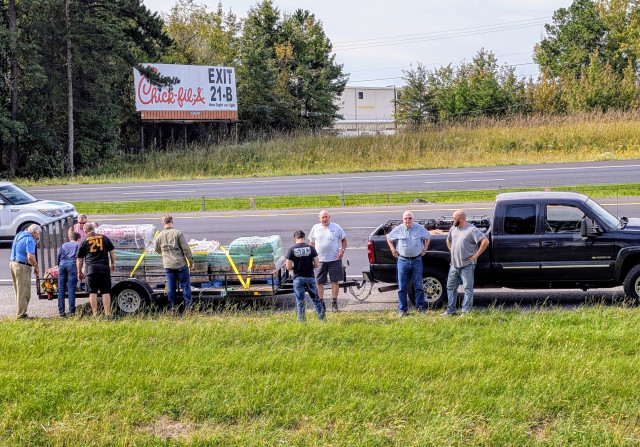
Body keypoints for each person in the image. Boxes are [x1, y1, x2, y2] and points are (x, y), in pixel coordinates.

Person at [441, 209, 490, 316]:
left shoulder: (472, 230)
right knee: (450, 287)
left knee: (467, 289)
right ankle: (450, 311)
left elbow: (485, 241)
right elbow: (448, 240)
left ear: (461, 219)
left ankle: (466, 312)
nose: (452, 220)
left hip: (467, 265)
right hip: (454, 265)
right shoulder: (453, 228)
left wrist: (475, 256)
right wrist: (452, 250)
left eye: (454, 218)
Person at [386, 211, 431, 317]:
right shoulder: (399, 229)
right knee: (402, 287)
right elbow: (389, 237)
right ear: (403, 220)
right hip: (403, 260)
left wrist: (424, 249)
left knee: (418, 285)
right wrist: (393, 249)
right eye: (406, 218)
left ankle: (420, 308)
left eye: (410, 218)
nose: (408, 220)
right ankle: (402, 310)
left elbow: (428, 237)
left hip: (416, 260)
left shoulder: (419, 228)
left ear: (413, 219)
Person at [309, 210, 347, 312]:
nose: (324, 219)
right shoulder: (315, 228)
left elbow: (344, 240)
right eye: (322, 217)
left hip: (334, 259)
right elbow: (311, 244)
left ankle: (334, 303)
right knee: (319, 282)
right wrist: (312, 257)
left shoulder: (336, 227)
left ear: (329, 217)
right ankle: (321, 304)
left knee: (335, 281)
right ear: (319, 218)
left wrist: (342, 251)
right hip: (320, 261)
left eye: (326, 217)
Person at [155, 213, 194, 311]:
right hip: (180, 263)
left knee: (171, 288)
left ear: (163, 223)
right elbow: (186, 248)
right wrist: (191, 261)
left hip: (168, 265)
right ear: (172, 222)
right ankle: (188, 309)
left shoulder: (159, 236)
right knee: (185, 286)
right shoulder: (178, 233)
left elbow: (157, 250)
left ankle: (172, 309)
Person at [77, 222, 116, 317]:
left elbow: (79, 259)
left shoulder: (84, 240)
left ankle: (95, 314)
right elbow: (112, 251)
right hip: (104, 268)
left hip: (91, 269)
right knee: (105, 292)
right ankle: (107, 314)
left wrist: (79, 272)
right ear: (94, 229)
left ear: (85, 231)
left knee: (92, 292)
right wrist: (112, 263)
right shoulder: (104, 238)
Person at [286, 230, 325, 322]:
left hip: (298, 278)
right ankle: (322, 320)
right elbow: (317, 264)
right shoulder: (311, 248)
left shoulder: (291, 250)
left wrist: (295, 268)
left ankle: (302, 322)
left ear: (294, 239)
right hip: (310, 277)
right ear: (304, 238)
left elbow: (288, 267)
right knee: (316, 300)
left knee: (300, 302)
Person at [10, 224, 41, 319]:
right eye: (37, 235)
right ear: (34, 232)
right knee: (24, 292)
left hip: (13, 263)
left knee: (18, 290)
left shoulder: (19, 235)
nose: (37, 237)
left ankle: (20, 312)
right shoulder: (30, 239)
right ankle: (21, 315)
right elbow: (30, 257)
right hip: (22, 266)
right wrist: (36, 266)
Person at [57, 231, 81, 317]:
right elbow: (80, 258)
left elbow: (59, 256)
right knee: (71, 290)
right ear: (78, 239)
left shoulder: (64, 245)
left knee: (61, 290)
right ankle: (72, 312)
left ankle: (61, 312)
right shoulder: (78, 245)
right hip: (72, 265)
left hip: (62, 264)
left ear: (70, 238)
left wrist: (59, 265)